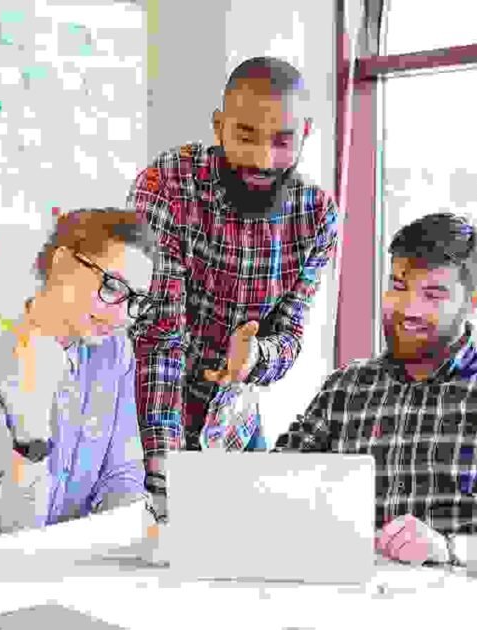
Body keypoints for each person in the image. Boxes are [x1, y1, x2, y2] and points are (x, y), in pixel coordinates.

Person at [273, 212, 477, 588]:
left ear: (472, 302)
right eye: (399, 286)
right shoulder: (344, 390)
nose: (409, 309)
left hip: (471, 607)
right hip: (350, 600)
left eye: (433, 294)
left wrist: (446, 549)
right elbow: (270, 491)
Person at [126, 56, 340, 521]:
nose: (263, 159)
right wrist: (163, 471)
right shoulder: (168, 184)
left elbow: (290, 336)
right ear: (219, 126)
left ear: (305, 134)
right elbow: (158, 338)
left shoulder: (317, 216)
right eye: (245, 136)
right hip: (146, 423)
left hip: (232, 427)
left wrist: (256, 357)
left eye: (282, 141)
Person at [0, 208, 156, 549]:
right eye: (112, 286)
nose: (121, 316)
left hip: (64, 561)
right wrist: (32, 420)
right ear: (63, 265)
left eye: (136, 300)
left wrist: (129, 536)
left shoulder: (114, 351)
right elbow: (11, 525)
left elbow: (122, 473)